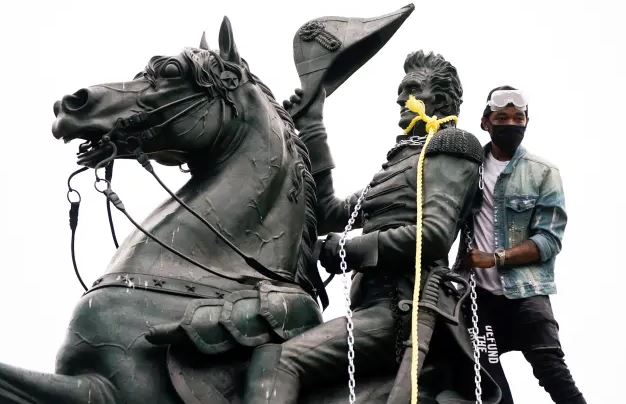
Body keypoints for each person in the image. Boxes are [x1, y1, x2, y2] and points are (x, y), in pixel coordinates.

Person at [243, 51, 507, 403]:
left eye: (412, 89)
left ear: (440, 100)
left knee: (278, 361)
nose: (400, 99)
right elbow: (330, 213)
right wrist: (313, 123)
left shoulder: (451, 146)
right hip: (371, 305)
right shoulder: (401, 160)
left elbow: (434, 236)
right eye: (400, 90)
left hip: (403, 308)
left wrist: (347, 249)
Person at [454, 85, 586, 404]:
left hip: (527, 292)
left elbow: (549, 240)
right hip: (478, 298)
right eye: (502, 118)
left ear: (527, 122)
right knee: (485, 380)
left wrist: (495, 258)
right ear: (485, 122)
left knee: (552, 370)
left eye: (518, 118)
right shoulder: (466, 169)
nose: (511, 124)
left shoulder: (543, 173)